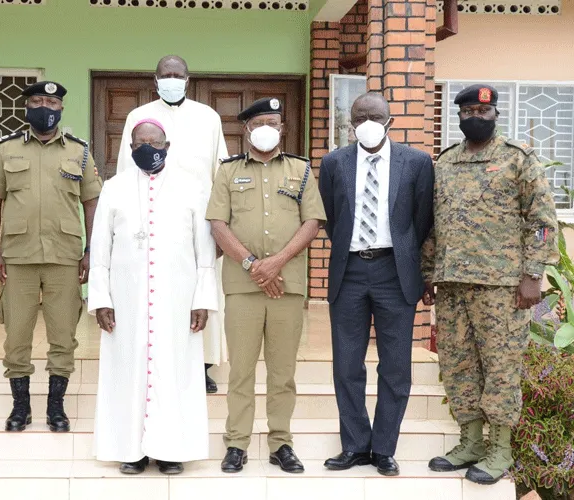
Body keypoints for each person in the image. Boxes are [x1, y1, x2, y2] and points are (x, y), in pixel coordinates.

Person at [423, 84, 559, 485]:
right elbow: (433, 223)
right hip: (452, 285)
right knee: (457, 363)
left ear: (495, 114)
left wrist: (533, 275)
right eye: (467, 112)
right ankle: (470, 442)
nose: (474, 118)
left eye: (482, 112)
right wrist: (428, 272)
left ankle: (499, 449)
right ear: (459, 117)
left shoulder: (518, 160)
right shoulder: (445, 163)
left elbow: (542, 223)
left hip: (502, 287)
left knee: (500, 369)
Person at [89, 118, 216, 475]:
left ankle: (172, 449)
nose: (147, 148)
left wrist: (203, 300)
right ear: (130, 150)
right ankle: (130, 450)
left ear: (167, 146)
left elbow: (204, 249)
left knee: (176, 368)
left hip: (178, 297)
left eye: (154, 142)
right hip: (126, 297)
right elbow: (99, 246)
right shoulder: (114, 188)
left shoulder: (192, 187)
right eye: (139, 144)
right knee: (125, 369)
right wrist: (100, 298)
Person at [317, 93, 435, 477]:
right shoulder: (334, 162)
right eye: (359, 116)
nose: (367, 121)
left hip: (394, 272)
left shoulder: (416, 162)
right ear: (351, 123)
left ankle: (384, 449)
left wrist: (409, 261)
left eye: (374, 115)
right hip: (349, 271)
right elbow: (332, 218)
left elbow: (421, 221)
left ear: (390, 121)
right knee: (347, 364)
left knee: (396, 367)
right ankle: (353, 445)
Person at [206, 97, 326, 474]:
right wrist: (252, 264)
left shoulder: (301, 170)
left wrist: (275, 264)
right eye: (258, 122)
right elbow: (217, 224)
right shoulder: (227, 172)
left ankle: (281, 443)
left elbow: (313, 222)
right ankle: (236, 443)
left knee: (282, 371)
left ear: (282, 128)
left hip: (286, 284)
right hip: (242, 286)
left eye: (272, 122)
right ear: (246, 128)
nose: (265, 128)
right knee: (240, 369)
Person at [0, 81, 102, 434]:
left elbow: (91, 202)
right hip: (17, 257)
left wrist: (91, 251)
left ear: (61, 108)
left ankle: (56, 407)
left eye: (50, 101)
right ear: (27, 107)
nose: (43, 107)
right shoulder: (6, 150)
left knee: (63, 334)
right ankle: (21, 408)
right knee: (16, 334)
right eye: (36, 101)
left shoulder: (79, 152)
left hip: (65, 256)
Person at [116, 55, 228, 393]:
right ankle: (154, 361)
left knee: (202, 290)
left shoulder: (208, 117)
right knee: (154, 291)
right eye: (166, 74)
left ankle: (203, 365)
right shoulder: (138, 116)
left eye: (177, 74)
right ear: (155, 79)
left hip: (199, 221)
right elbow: (125, 170)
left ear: (188, 79)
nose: (172, 79)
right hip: (151, 217)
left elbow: (220, 171)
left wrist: (222, 223)